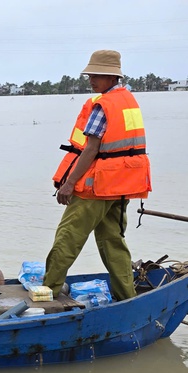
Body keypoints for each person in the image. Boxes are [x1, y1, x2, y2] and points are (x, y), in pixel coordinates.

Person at [44, 50, 151, 301]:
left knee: (68, 237)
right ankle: (127, 296)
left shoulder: (103, 105)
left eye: (96, 75)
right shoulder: (128, 101)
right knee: (113, 241)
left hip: (98, 185)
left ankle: (47, 291)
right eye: (90, 75)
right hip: (121, 185)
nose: (91, 80)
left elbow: (91, 148)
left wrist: (69, 184)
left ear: (112, 77)